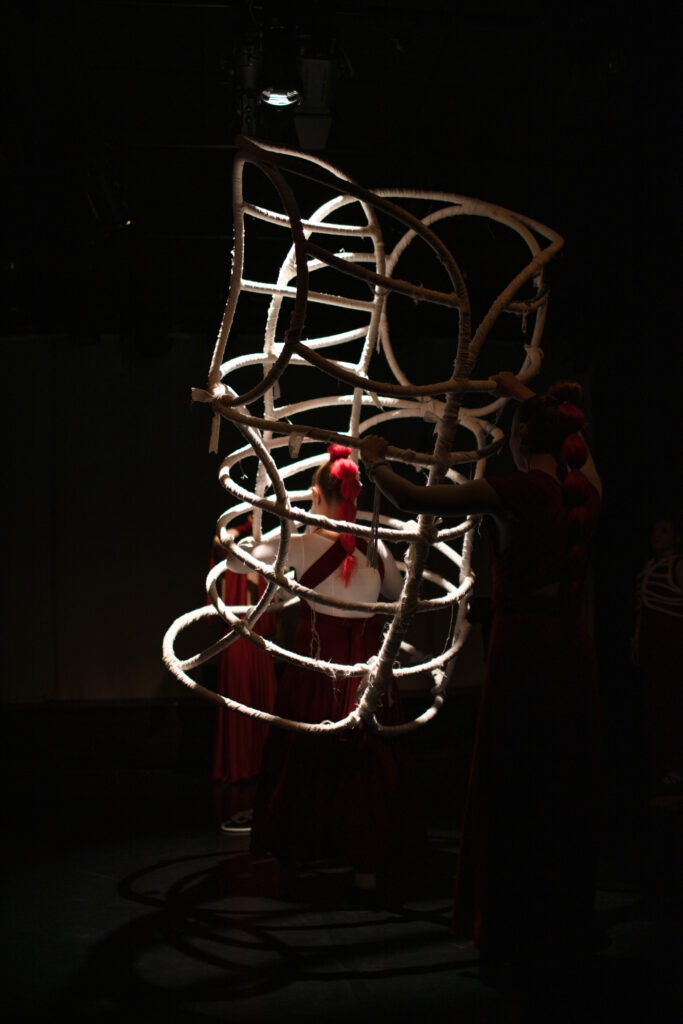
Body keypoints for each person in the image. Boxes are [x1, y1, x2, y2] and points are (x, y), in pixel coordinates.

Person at [360, 371, 603, 980]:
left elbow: (416, 502)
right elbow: (583, 457)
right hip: (572, 647)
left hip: (525, 653)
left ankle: (514, 927)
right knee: (564, 781)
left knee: (514, 782)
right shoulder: (584, 490)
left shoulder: (517, 490)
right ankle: (564, 920)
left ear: (520, 438)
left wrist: (375, 462)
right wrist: (528, 398)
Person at [227, 444, 425, 903]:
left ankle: (299, 852)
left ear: (316, 493)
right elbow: (399, 594)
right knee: (368, 766)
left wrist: (245, 537)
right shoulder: (377, 548)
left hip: (316, 681)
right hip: (368, 682)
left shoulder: (297, 544)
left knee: (306, 760)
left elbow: (240, 563)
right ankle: (368, 864)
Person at [210, 516, 278, 832]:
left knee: (261, 701)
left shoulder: (262, 556)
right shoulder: (229, 554)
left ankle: (263, 764)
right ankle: (240, 766)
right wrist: (242, 528)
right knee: (240, 699)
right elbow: (218, 541)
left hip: (256, 638)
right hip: (237, 638)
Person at [632, 514, 683, 793]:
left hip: (672, 638)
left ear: (677, 538)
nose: (657, 535)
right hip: (652, 641)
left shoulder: (678, 565)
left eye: (664, 531)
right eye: (655, 530)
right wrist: (637, 639)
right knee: (655, 700)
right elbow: (642, 609)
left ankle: (676, 766)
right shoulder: (649, 567)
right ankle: (663, 763)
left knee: (672, 699)